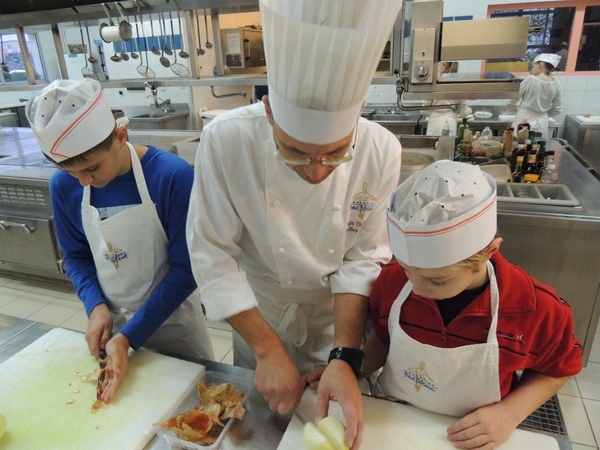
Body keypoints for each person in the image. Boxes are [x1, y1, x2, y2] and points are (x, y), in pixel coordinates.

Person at [186, 0, 402, 447]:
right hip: (260, 316)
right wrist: (266, 349)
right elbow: (212, 253)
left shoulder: (382, 150)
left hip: (335, 322)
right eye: (296, 152)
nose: (317, 170)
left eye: (336, 153)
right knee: (262, 431)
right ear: (268, 112)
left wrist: (345, 355)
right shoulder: (226, 141)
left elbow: (363, 259)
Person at [363, 160, 582, 449]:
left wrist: (509, 413)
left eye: (437, 281)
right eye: (406, 269)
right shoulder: (392, 283)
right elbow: (383, 340)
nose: (416, 288)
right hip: (393, 422)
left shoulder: (537, 309)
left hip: (469, 438)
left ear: (488, 252)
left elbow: (557, 369)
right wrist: (348, 366)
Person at [25, 79, 214, 403]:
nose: (83, 181)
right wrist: (96, 307)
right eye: (71, 172)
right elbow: (76, 256)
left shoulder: (171, 176)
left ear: (120, 137)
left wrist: (130, 337)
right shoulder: (63, 186)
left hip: (174, 328)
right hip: (111, 330)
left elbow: (187, 270)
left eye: (92, 168)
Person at [507, 53, 563, 139]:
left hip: (523, 121)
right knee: (537, 147)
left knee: (518, 147)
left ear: (540, 65)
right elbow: (557, 109)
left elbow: (511, 101)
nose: (532, 70)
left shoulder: (530, 80)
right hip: (542, 123)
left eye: (533, 66)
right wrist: (543, 114)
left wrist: (515, 111)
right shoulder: (556, 84)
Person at [424, 62, 471, 136]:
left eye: (439, 65)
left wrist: (433, 113)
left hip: (435, 125)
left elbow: (424, 111)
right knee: (448, 147)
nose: (438, 67)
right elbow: (464, 113)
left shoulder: (434, 83)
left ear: (444, 65)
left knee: (433, 146)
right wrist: (469, 110)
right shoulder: (460, 85)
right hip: (450, 124)